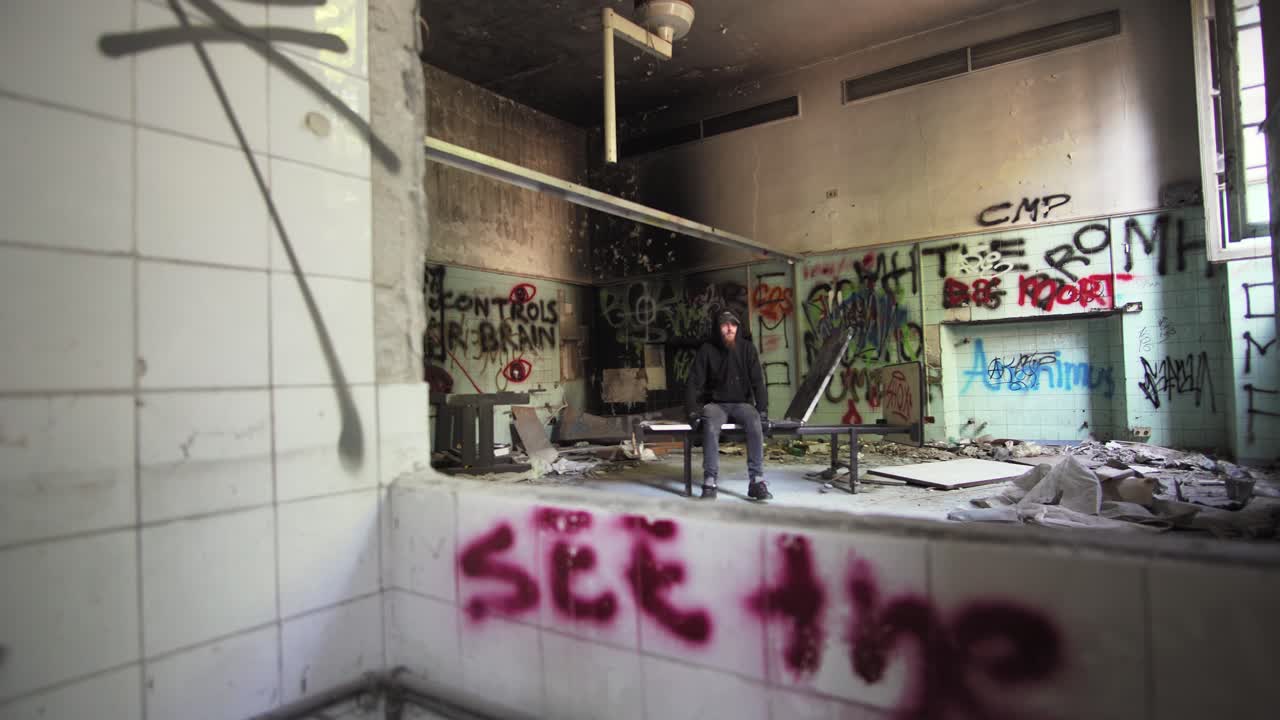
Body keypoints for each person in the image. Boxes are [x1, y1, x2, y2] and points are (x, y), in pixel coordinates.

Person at [685, 310, 772, 501]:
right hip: (716, 405)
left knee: (754, 421)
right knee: (710, 424)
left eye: (733, 324)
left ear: (738, 327)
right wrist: (692, 411)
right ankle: (710, 481)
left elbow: (758, 381)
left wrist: (763, 410)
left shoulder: (748, 349)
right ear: (718, 328)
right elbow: (693, 382)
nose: (730, 328)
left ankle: (756, 482)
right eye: (725, 324)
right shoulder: (707, 350)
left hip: (742, 404)